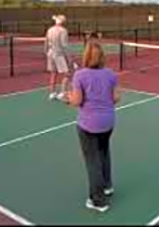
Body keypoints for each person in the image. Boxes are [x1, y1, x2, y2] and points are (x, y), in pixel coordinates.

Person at [64, 33, 120, 213]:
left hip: (88, 125)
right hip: (108, 123)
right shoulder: (111, 74)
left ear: (86, 56)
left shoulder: (80, 76)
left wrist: (69, 98)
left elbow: (77, 101)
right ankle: (107, 186)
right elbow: (116, 97)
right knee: (104, 152)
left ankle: (98, 201)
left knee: (92, 161)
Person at [45, 14, 70, 100]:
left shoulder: (49, 29)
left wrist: (46, 52)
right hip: (59, 54)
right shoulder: (63, 31)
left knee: (53, 73)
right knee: (67, 74)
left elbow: (46, 42)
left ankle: (52, 93)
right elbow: (64, 46)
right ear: (62, 22)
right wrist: (69, 58)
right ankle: (62, 93)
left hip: (50, 53)